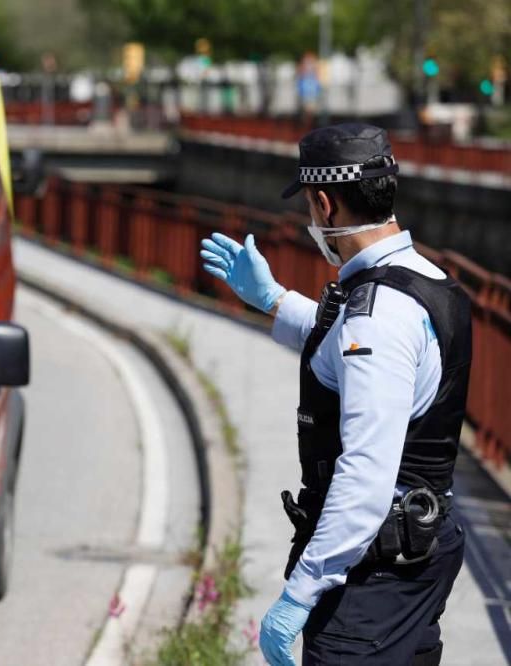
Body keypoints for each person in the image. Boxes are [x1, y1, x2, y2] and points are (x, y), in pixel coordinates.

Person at [199, 123, 471, 666]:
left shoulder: (379, 313)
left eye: (307, 205)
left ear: (325, 204)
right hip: (412, 560)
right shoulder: (424, 280)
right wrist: (273, 299)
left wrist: (302, 590)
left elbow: (366, 471)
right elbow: (343, 347)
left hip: (371, 581)